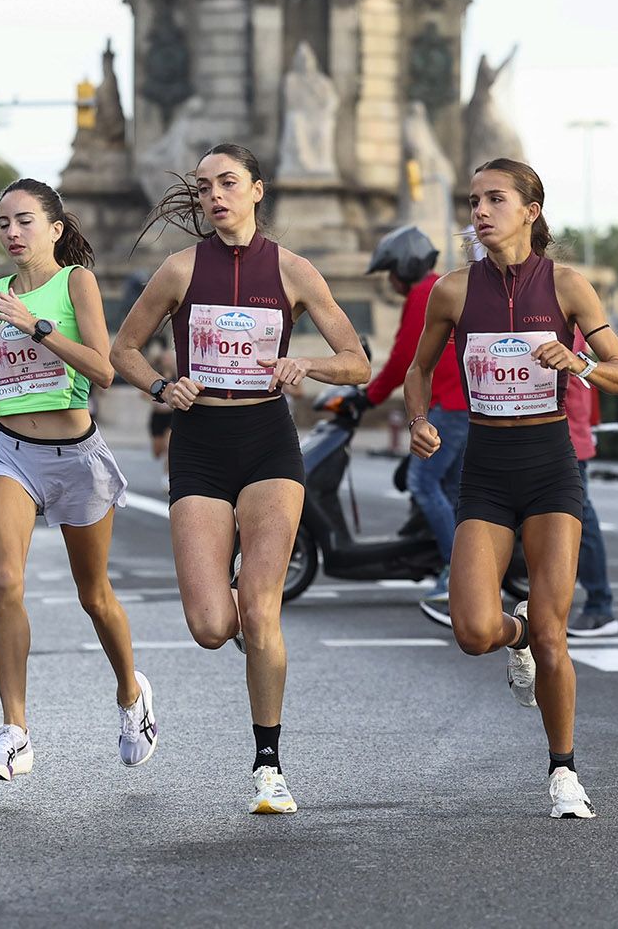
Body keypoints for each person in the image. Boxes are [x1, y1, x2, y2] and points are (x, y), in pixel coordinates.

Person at [111, 144, 369, 814]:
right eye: (204, 187)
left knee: (259, 611)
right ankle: (240, 598)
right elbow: (123, 350)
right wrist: (164, 386)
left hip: (267, 445)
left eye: (228, 183)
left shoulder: (291, 271)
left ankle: (268, 764)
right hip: (199, 448)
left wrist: (303, 365)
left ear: (257, 190)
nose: (215, 195)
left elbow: (357, 361)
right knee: (209, 623)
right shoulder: (177, 271)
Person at [404, 158, 618, 819]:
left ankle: (563, 773)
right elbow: (417, 372)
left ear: (531, 210)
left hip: (548, 466)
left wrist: (580, 360)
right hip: (485, 466)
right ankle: (516, 642)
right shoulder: (452, 291)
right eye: (473, 200)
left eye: (495, 199)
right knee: (474, 630)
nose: (480, 211)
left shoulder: (567, 286)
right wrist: (420, 423)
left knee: (554, 631)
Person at [0, 178, 156, 781]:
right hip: (9, 452)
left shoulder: (76, 282)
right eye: (3, 223)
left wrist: (38, 326)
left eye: (24, 221)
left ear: (54, 228)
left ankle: (131, 694)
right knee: (4, 581)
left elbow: (103, 371)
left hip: (76, 456)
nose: (12, 233)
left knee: (93, 596)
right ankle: (14, 731)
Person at [359, 226, 468, 622]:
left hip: (450, 408)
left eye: (390, 270)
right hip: (462, 405)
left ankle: (458, 574)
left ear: (404, 265)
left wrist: (365, 397)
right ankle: (465, 572)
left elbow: (407, 360)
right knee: (451, 490)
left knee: (424, 484)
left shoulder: (425, 294)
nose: (390, 280)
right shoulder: (437, 288)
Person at [564, 328, 618, 637]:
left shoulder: (563, 327)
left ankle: (600, 606)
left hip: (566, 442)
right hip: (563, 440)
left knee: (582, 521)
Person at [146, 347, 176, 490]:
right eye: (166, 357)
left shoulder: (178, 376)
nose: (168, 360)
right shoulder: (155, 376)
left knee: (169, 446)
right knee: (157, 451)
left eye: (170, 358)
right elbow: (142, 393)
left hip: (171, 416)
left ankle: (167, 475)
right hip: (157, 416)